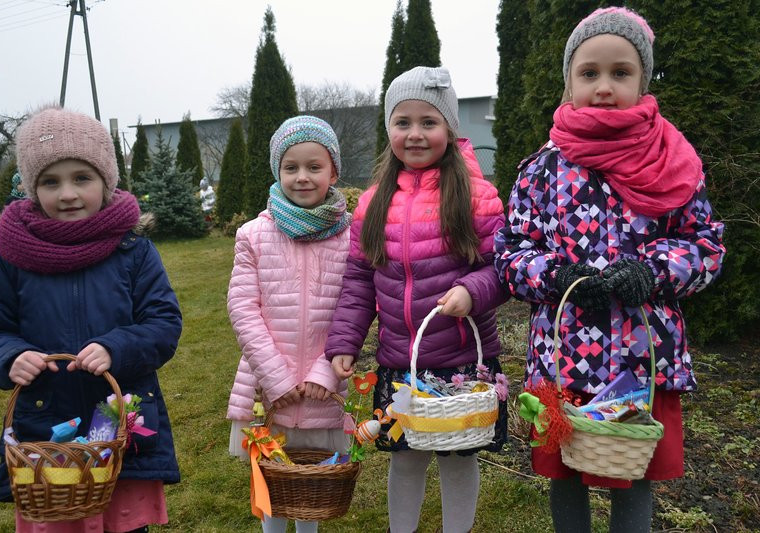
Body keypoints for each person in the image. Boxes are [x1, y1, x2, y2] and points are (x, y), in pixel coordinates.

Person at [494, 7, 726, 533]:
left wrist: (654, 271)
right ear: (570, 82)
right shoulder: (541, 169)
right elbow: (511, 252)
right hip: (563, 355)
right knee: (565, 474)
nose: (603, 87)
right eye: (589, 73)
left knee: (633, 470)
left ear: (642, 80)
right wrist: (556, 276)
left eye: (620, 72)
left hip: (641, 356)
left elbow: (705, 244)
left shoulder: (672, 159)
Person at [0, 107, 183, 533]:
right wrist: (9, 356)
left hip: (120, 428)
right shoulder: (13, 259)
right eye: (51, 181)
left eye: (81, 178)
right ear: (32, 188)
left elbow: (163, 323)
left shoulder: (133, 251)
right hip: (46, 438)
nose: (67, 194)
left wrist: (115, 347)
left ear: (106, 180)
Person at [325, 66, 510, 533]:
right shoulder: (372, 203)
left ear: (449, 127)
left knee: (458, 457)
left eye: (429, 122)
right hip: (399, 362)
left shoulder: (478, 197)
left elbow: (503, 269)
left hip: (459, 360)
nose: (415, 134)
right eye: (402, 122)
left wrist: (472, 290)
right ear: (388, 128)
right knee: (405, 459)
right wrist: (345, 341)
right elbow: (359, 279)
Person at [226, 115, 352, 533]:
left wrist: (325, 371)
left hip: (324, 383)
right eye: (291, 167)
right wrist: (275, 378)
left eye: (314, 166)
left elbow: (355, 309)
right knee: (274, 481)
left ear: (333, 171)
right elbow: (243, 309)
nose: (302, 177)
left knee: (312, 484)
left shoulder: (351, 237)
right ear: (277, 171)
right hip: (267, 387)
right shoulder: (253, 235)